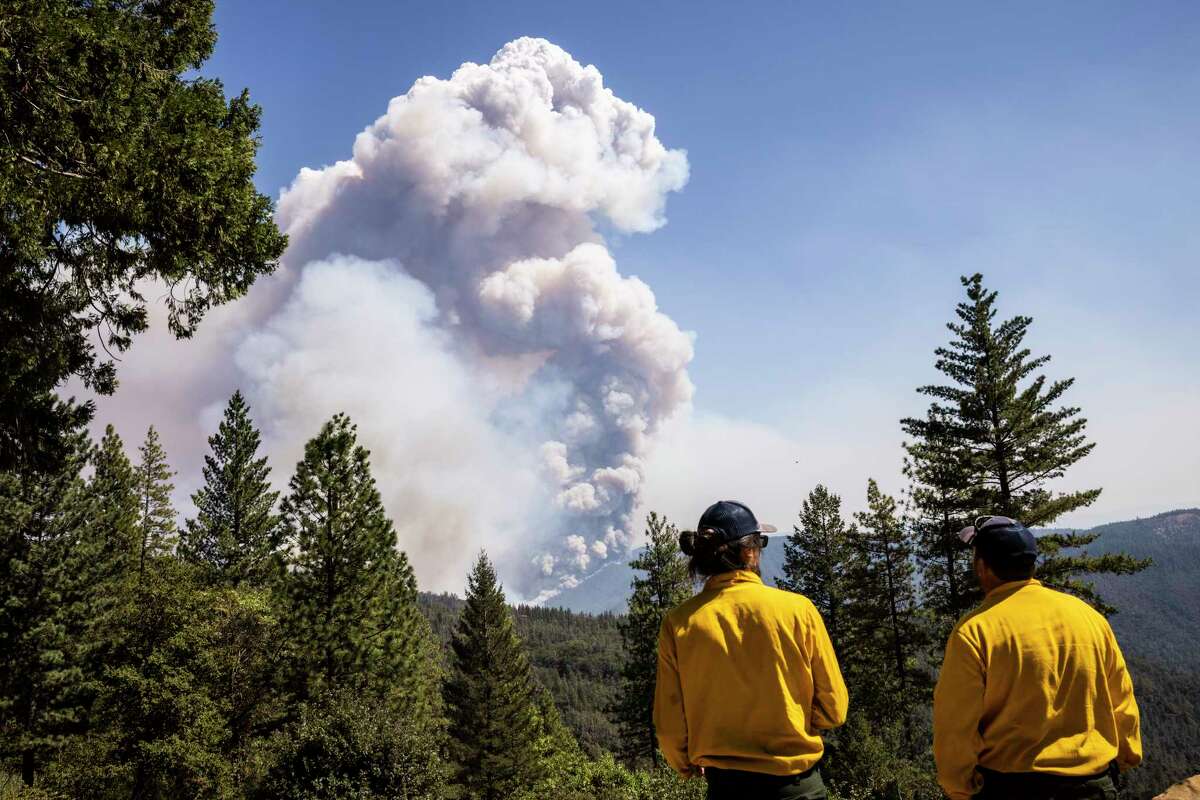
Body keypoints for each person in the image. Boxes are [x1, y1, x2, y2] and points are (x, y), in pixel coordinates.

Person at [933, 516, 1142, 800]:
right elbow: (1122, 699)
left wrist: (960, 789)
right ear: (1031, 565)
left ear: (982, 567)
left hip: (1013, 788)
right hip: (1094, 785)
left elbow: (955, 726)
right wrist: (1124, 757)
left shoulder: (974, 631)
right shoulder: (1087, 616)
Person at [653, 500, 848, 800]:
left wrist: (686, 764)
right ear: (749, 551)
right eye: (761, 543)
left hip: (726, 789)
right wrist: (793, 724)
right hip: (798, 788)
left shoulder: (679, 624)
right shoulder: (799, 611)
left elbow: (669, 725)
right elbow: (834, 707)